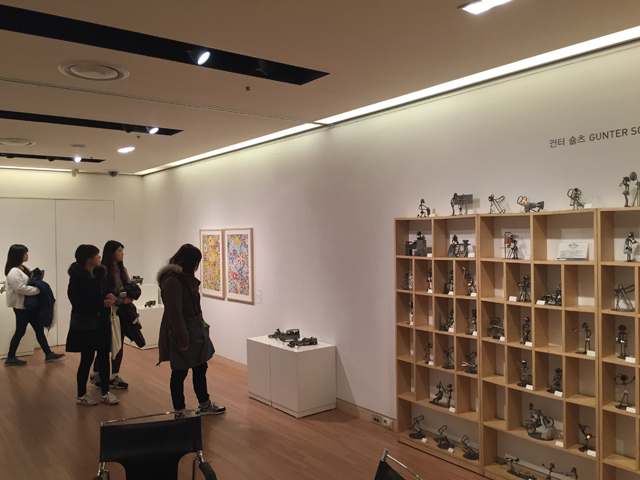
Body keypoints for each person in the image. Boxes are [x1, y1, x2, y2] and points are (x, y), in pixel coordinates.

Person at [157, 244, 225, 417]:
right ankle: (179, 410)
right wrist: (183, 339)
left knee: (200, 367)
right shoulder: (173, 281)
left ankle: (204, 404)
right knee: (179, 372)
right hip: (183, 331)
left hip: (194, 329)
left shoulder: (184, 278)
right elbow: (175, 313)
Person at [65, 244, 119, 406]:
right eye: (97, 255)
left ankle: (105, 392)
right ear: (88, 259)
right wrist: (101, 304)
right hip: (87, 325)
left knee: (104, 358)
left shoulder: (99, 275)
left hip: (101, 323)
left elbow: (104, 291)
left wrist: (109, 296)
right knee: (86, 359)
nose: (99, 258)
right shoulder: (77, 278)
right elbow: (78, 303)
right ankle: (81, 394)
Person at [4, 244, 64, 366]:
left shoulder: (24, 268)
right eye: (25, 253)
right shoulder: (13, 272)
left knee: (38, 329)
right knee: (20, 331)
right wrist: (38, 290)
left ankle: (48, 354)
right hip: (21, 307)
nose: (27, 255)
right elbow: (20, 288)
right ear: (18, 255)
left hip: (29, 306)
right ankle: (10, 357)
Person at [90, 240, 131, 390]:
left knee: (119, 344)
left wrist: (131, 295)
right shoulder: (103, 271)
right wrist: (121, 300)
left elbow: (127, 286)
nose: (122, 254)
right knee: (106, 345)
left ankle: (114, 376)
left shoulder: (122, 269)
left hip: (121, 312)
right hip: (109, 312)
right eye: (119, 251)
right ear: (112, 253)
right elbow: (105, 292)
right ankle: (97, 374)